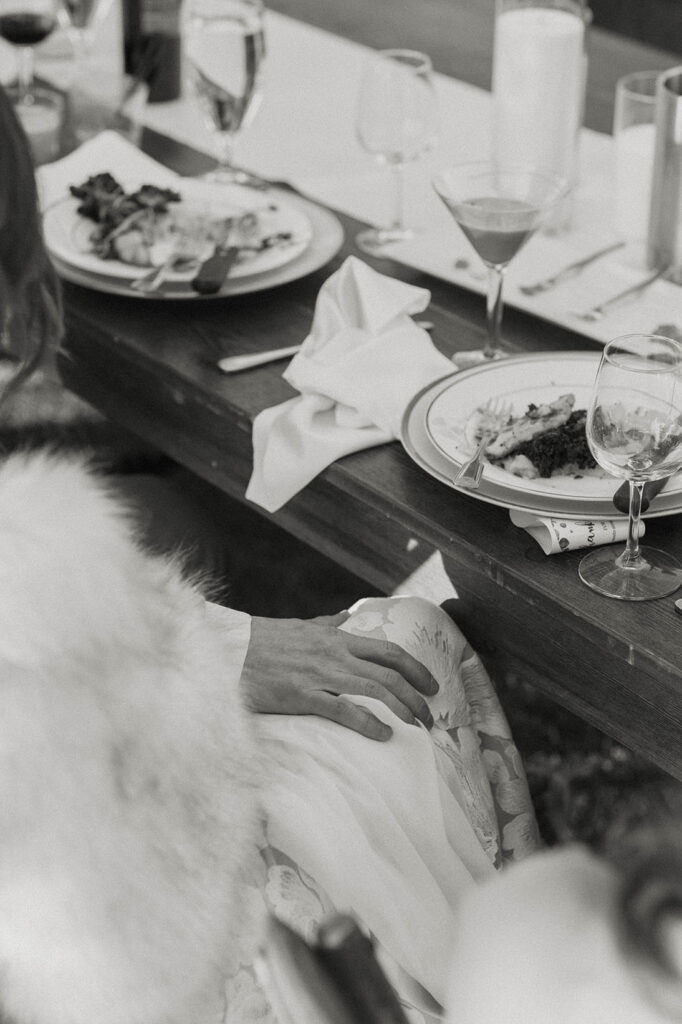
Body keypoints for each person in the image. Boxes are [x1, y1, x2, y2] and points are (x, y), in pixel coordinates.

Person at [0, 81, 539, 1024]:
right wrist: (208, 661)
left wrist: (213, 643)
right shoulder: (48, 570)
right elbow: (166, 845)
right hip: (147, 965)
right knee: (409, 653)